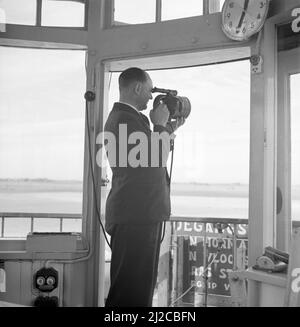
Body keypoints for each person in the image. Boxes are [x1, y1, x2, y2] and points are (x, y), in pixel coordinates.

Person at [104, 67, 184, 307]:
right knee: (132, 292)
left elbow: (144, 158)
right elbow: (153, 160)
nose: (152, 97)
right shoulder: (124, 119)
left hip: (138, 214)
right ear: (137, 88)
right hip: (136, 216)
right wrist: (159, 126)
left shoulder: (129, 119)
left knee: (137, 289)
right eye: (150, 91)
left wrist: (168, 128)